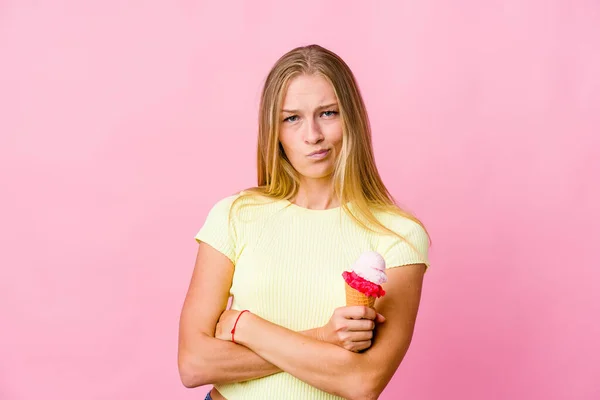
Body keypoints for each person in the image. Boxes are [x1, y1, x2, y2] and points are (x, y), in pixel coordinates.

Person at [177, 44, 431, 400]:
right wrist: (325, 338)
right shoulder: (235, 215)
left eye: (327, 113)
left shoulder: (399, 236)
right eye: (291, 118)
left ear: (352, 118)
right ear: (274, 130)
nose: (312, 135)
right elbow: (194, 364)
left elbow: (362, 382)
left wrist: (245, 326)